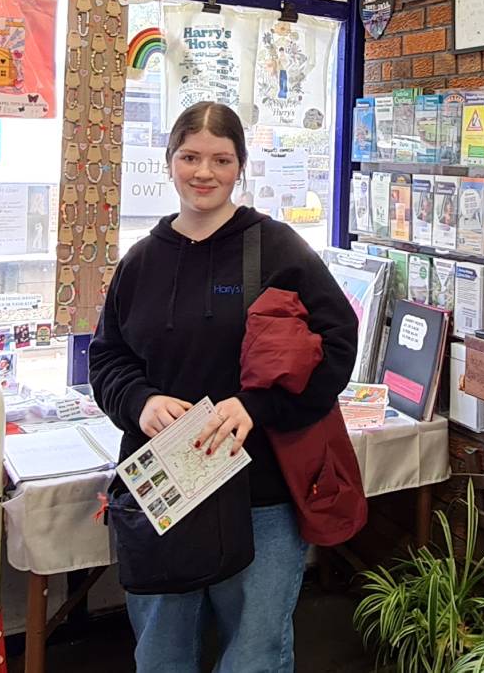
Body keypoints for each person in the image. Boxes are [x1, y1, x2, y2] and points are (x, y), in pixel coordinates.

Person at [91, 101, 356, 673]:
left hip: (260, 489)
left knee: (255, 654)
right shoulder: (140, 262)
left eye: (220, 158)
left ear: (239, 166)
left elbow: (339, 345)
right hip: (163, 486)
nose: (203, 172)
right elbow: (107, 358)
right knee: (161, 654)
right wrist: (141, 403)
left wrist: (255, 406)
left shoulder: (277, 248)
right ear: (169, 162)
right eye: (190, 156)